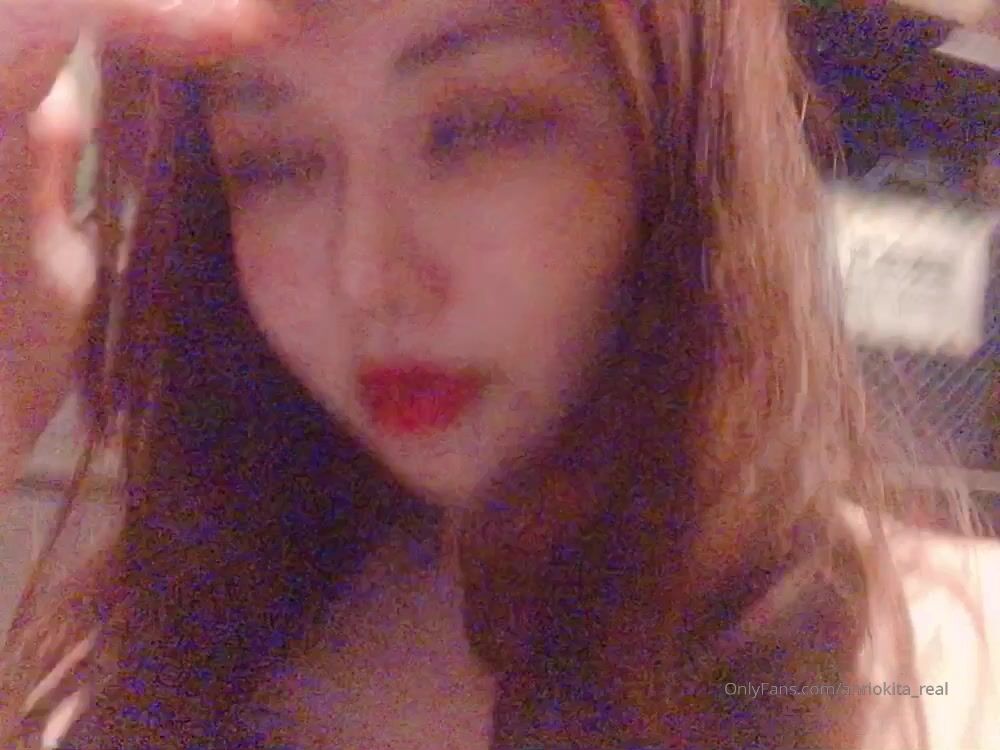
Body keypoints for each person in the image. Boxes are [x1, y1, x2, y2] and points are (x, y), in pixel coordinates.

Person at [0, 1, 997, 748]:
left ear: (675, 134)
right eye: (276, 161)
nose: (366, 277)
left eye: (476, 126)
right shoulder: (158, 651)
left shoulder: (947, 668)